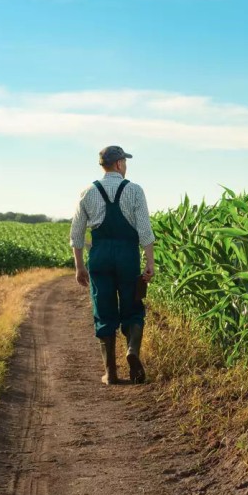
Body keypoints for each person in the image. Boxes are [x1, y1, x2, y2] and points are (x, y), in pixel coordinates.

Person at [69, 146, 156, 385]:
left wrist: (79, 266)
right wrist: (149, 261)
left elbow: (76, 234)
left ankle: (111, 373)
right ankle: (132, 351)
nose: (125, 166)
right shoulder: (134, 190)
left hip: (100, 256)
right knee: (133, 305)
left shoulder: (87, 192)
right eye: (124, 162)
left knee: (104, 309)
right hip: (127, 255)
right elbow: (145, 230)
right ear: (118, 164)